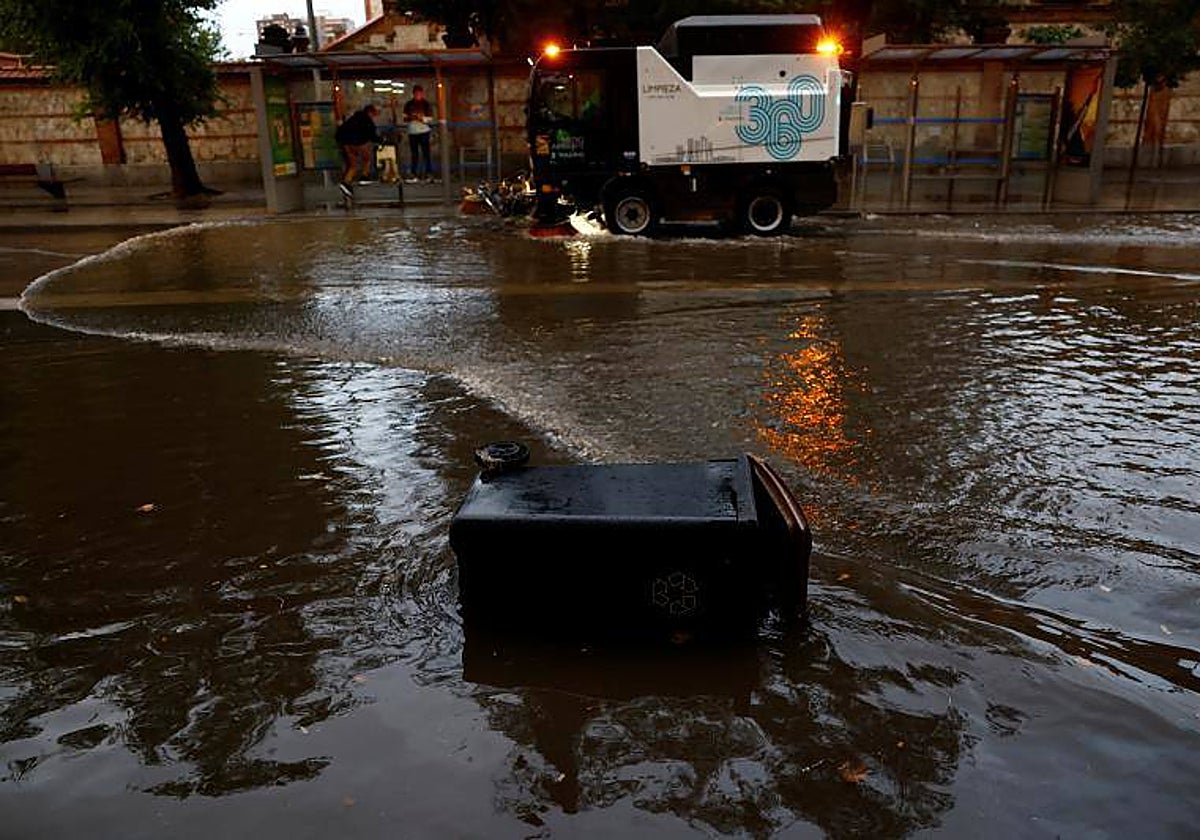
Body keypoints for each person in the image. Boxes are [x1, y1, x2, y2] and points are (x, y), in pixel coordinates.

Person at [334, 104, 379, 202]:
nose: (374, 117)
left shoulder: (353, 118)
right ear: (370, 112)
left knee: (353, 165)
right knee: (367, 158)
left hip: (345, 143)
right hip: (357, 143)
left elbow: (341, 130)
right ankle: (364, 176)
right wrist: (381, 140)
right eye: (374, 114)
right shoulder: (367, 121)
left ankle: (346, 182)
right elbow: (373, 136)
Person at [403, 86, 434, 182]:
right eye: (416, 94)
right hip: (413, 131)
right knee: (414, 154)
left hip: (424, 131)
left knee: (426, 153)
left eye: (419, 94)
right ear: (413, 94)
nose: (418, 95)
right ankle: (414, 173)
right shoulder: (408, 104)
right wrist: (411, 117)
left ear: (422, 93)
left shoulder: (426, 104)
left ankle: (428, 173)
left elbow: (430, 118)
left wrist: (421, 118)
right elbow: (404, 117)